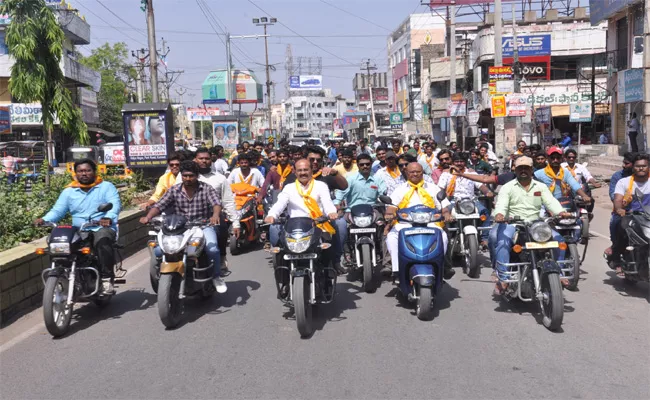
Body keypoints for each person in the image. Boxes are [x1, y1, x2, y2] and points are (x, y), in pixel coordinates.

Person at [35, 159, 121, 293]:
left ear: (94, 172)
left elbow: (114, 205)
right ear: (75, 173)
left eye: (88, 170)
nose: (84, 174)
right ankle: (60, 275)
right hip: (79, 229)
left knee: (103, 239)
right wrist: (44, 219)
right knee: (56, 241)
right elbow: (58, 210)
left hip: (101, 227)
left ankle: (106, 278)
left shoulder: (106, 187)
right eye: (80, 171)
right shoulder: (69, 191)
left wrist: (108, 218)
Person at [489, 156, 572, 294]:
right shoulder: (508, 187)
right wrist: (500, 215)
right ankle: (503, 278)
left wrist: (561, 212)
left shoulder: (540, 186)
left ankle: (560, 272)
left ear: (531, 170)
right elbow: (502, 204)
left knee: (558, 241)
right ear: (514, 169)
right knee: (502, 242)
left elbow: (550, 202)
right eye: (520, 168)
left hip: (536, 223)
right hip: (513, 223)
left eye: (526, 168)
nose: (523, 171)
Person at [140, 161, 227, 293]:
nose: (188, 178)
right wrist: (148, 217)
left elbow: (216, 203)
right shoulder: (174, 190)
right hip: (180, 228)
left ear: (197, 176)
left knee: (213, 249)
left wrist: (215, 215)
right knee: (158, 250)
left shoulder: (206, 188)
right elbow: (159, 205)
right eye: (185, 175)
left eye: (191, 176)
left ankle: (216, 277)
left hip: (202, 225)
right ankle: (160, 276)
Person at [264, 159, 339, 291]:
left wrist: (331, 212)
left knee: (327, 248)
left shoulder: (321, 185)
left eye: (306, 170)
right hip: (294, 227)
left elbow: (327, 203)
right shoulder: (289, 188)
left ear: (311, 170)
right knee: (280, 250)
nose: (303, 173)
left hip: (317, 225)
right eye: (300, 170)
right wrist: (272, 215)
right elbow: (280, 203)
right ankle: (285, 281)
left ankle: (327, 278)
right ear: (295, 171)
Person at [384, 162, 454, 278]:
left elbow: (443, 206)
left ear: (423, 173)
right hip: (406, 224)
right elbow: (392, 206)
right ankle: (395, 269)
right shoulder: (400, 189)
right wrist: (390, 214)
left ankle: (443, 266)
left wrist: (446, 214)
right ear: (407, 173)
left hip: (430, 222)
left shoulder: (433, 188)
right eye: (412, 172)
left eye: (418, 172)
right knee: (392, 237)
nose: (415, 174)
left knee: (444, 237)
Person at [176, 148, 238, 273]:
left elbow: (228, 202)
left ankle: (220, 259)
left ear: (212, 160)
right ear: (195, 159)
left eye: (207, 158)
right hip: (186, 218)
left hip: (211, 218)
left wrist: (236, 223)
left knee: (220, 228)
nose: (204, 161)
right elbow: (173, 195)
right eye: (201, 158)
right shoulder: (183, 176)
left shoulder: (220, 179)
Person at [334, 153, 387, 264]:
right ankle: (346, 253)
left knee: (384, 226)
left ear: (371, 164)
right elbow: (340, 193)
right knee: (342, 226)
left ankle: (383, 255)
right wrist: (337, 204)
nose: (365, 166)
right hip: (351, 211)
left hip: (373, 210)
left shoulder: (377, 179)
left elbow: (383, 194)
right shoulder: (350, 179)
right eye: (362, 164)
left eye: (367, 164)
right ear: (357, 165)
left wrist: (384, 202)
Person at [438, 154, 494, 247]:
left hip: (471, 201)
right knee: (444, 215)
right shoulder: (446, 174)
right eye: (457, 161)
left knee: (484, 212)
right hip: (453, 200)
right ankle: (446, 239)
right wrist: (442, 200)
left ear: (465, 162)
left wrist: (488, 192)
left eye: (461, 161)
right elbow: (440, 189)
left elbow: (481, 185)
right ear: (453, 162)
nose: (459, 163)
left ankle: (485, 239)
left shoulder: (471, 173)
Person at [609, 154, 650, 275]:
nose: (641, 168)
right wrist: (619, 209)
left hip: (648, 216)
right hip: (630, 217)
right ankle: (616, 258)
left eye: (644, 166)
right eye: (638, 166)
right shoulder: (624, 182)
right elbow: (617, 199)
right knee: (620, 229)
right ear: (633, 168)